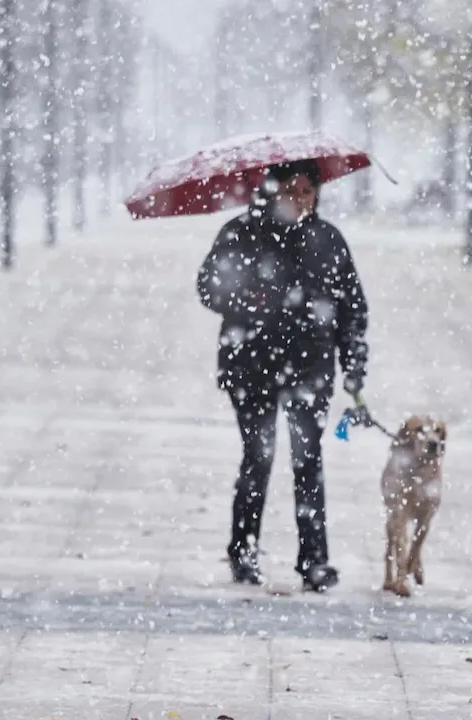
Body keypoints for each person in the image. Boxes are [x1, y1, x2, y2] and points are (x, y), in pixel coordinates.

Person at [196, 160, 369, 593]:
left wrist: (354, 367)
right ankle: (244, 550)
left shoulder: (327, 240)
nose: (300, 197)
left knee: (307, 460)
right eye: (291, 188)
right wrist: (248, 299)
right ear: (271, 190)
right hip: (250, 364)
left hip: (310, 368)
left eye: (308, 190)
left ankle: (314, 561)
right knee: (259, 455)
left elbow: (352, 307)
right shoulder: (242, 232)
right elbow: (207, 285)